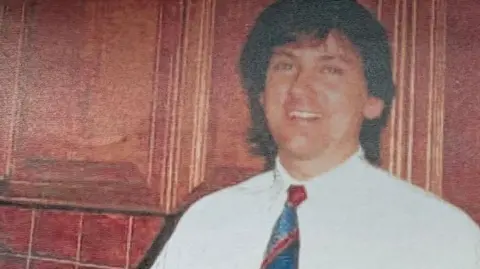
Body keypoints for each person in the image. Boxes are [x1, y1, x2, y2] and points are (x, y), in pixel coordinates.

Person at [150, 0, 480, 268]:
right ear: (262, 95)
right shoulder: (206, 221)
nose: (300, 87)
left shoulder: (440, 235)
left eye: (330, 69)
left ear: (373, 100)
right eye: (285, 65)